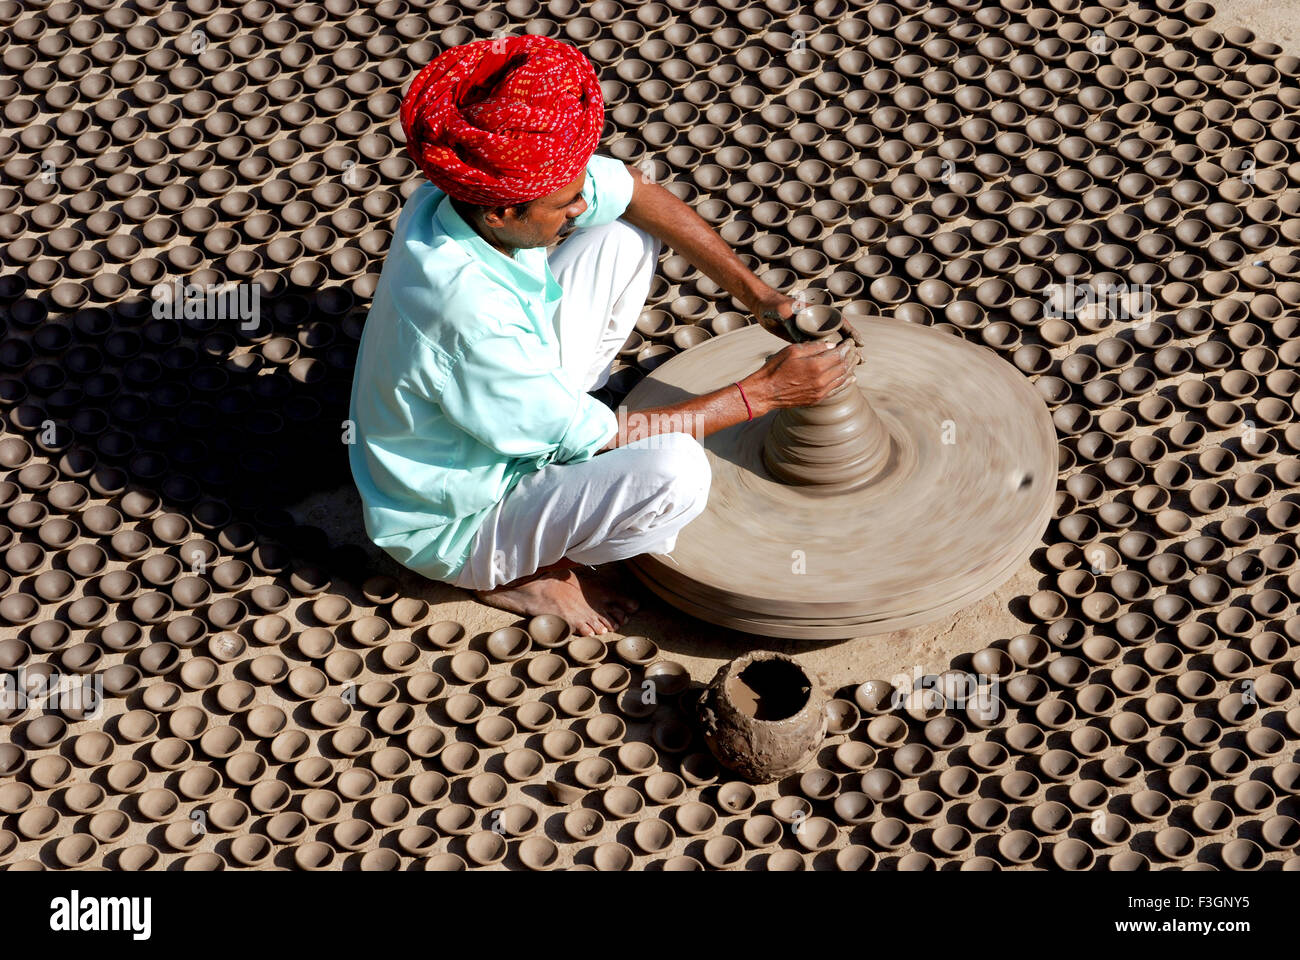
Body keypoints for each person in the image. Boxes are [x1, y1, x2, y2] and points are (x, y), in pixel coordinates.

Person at [348, 35, 855, 636]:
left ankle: (565, 426)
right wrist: (763, 396)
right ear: (502, 213)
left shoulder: (461, 190)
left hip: (502, 399)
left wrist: (758, 296)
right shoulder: (470, 319)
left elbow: (635, 192)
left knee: (623, 235)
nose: (576, 209)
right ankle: (513, 572)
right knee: (676, 470)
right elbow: (612, 440)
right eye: (563, 205)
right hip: (454, 515)